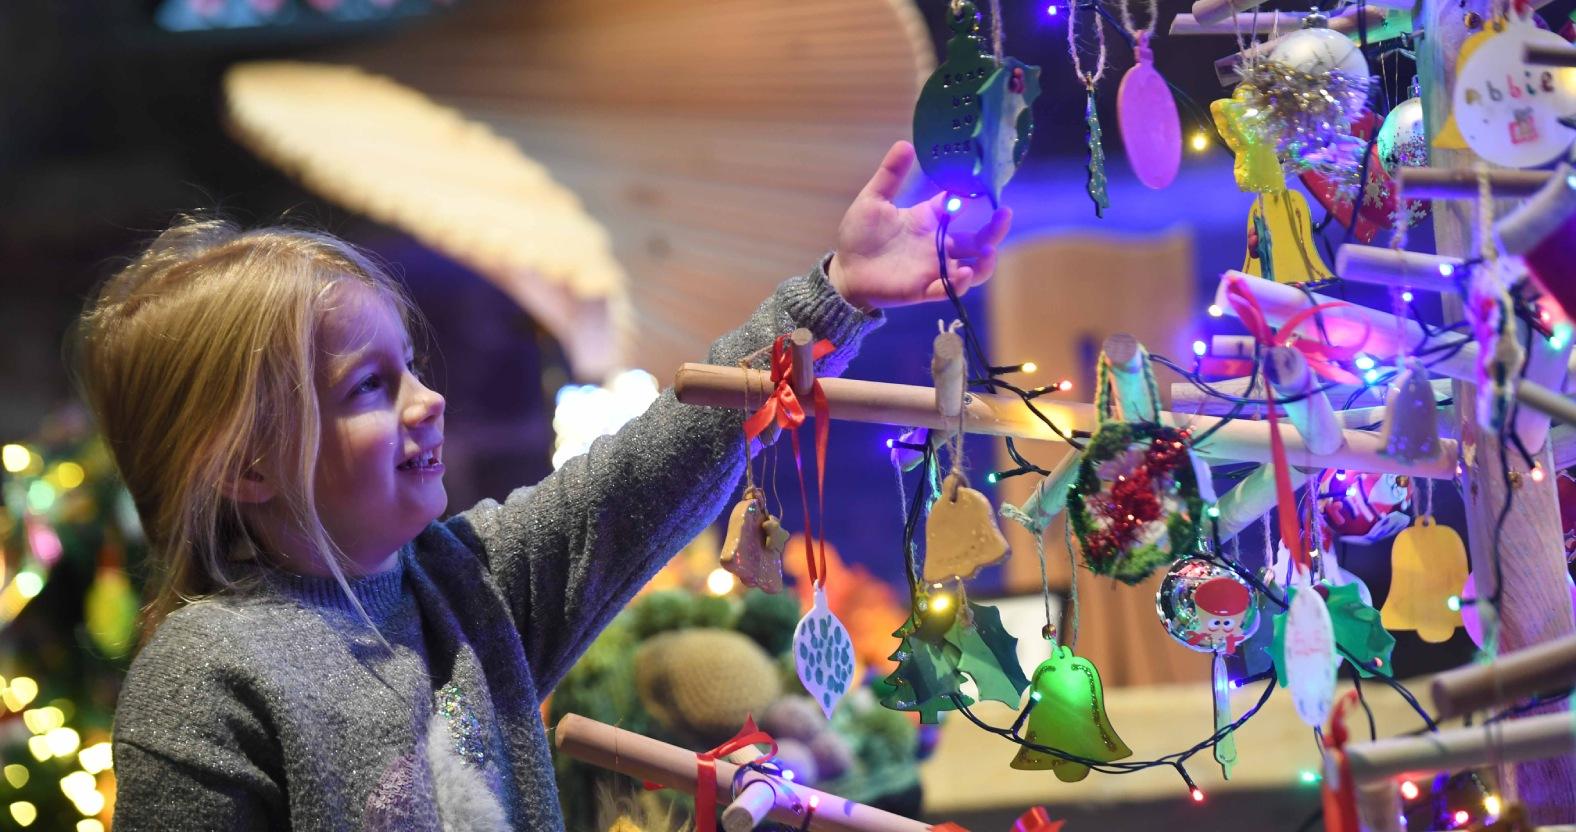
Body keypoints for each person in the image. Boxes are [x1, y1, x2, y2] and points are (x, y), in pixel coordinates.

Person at [82, 141, 1010, 831]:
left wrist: (839, 292)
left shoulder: (461, 585)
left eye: (411, 368)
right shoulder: (205, 677)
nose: (428, 402)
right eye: (370, 386)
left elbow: (645, 472)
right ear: (244, 465)